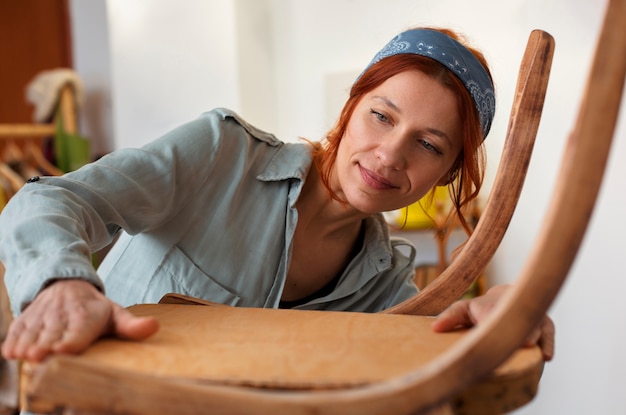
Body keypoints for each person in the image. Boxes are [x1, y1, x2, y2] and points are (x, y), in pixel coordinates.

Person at [0, 27, 554, 364]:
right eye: (381, 116)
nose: (389, 155)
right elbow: (45, 202)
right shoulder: (220, 153)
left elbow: (434, 344)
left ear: (449, 173)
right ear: (350, 106)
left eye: (429, 145)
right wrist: (61, 286)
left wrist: (496, 312)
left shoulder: (386, 287)